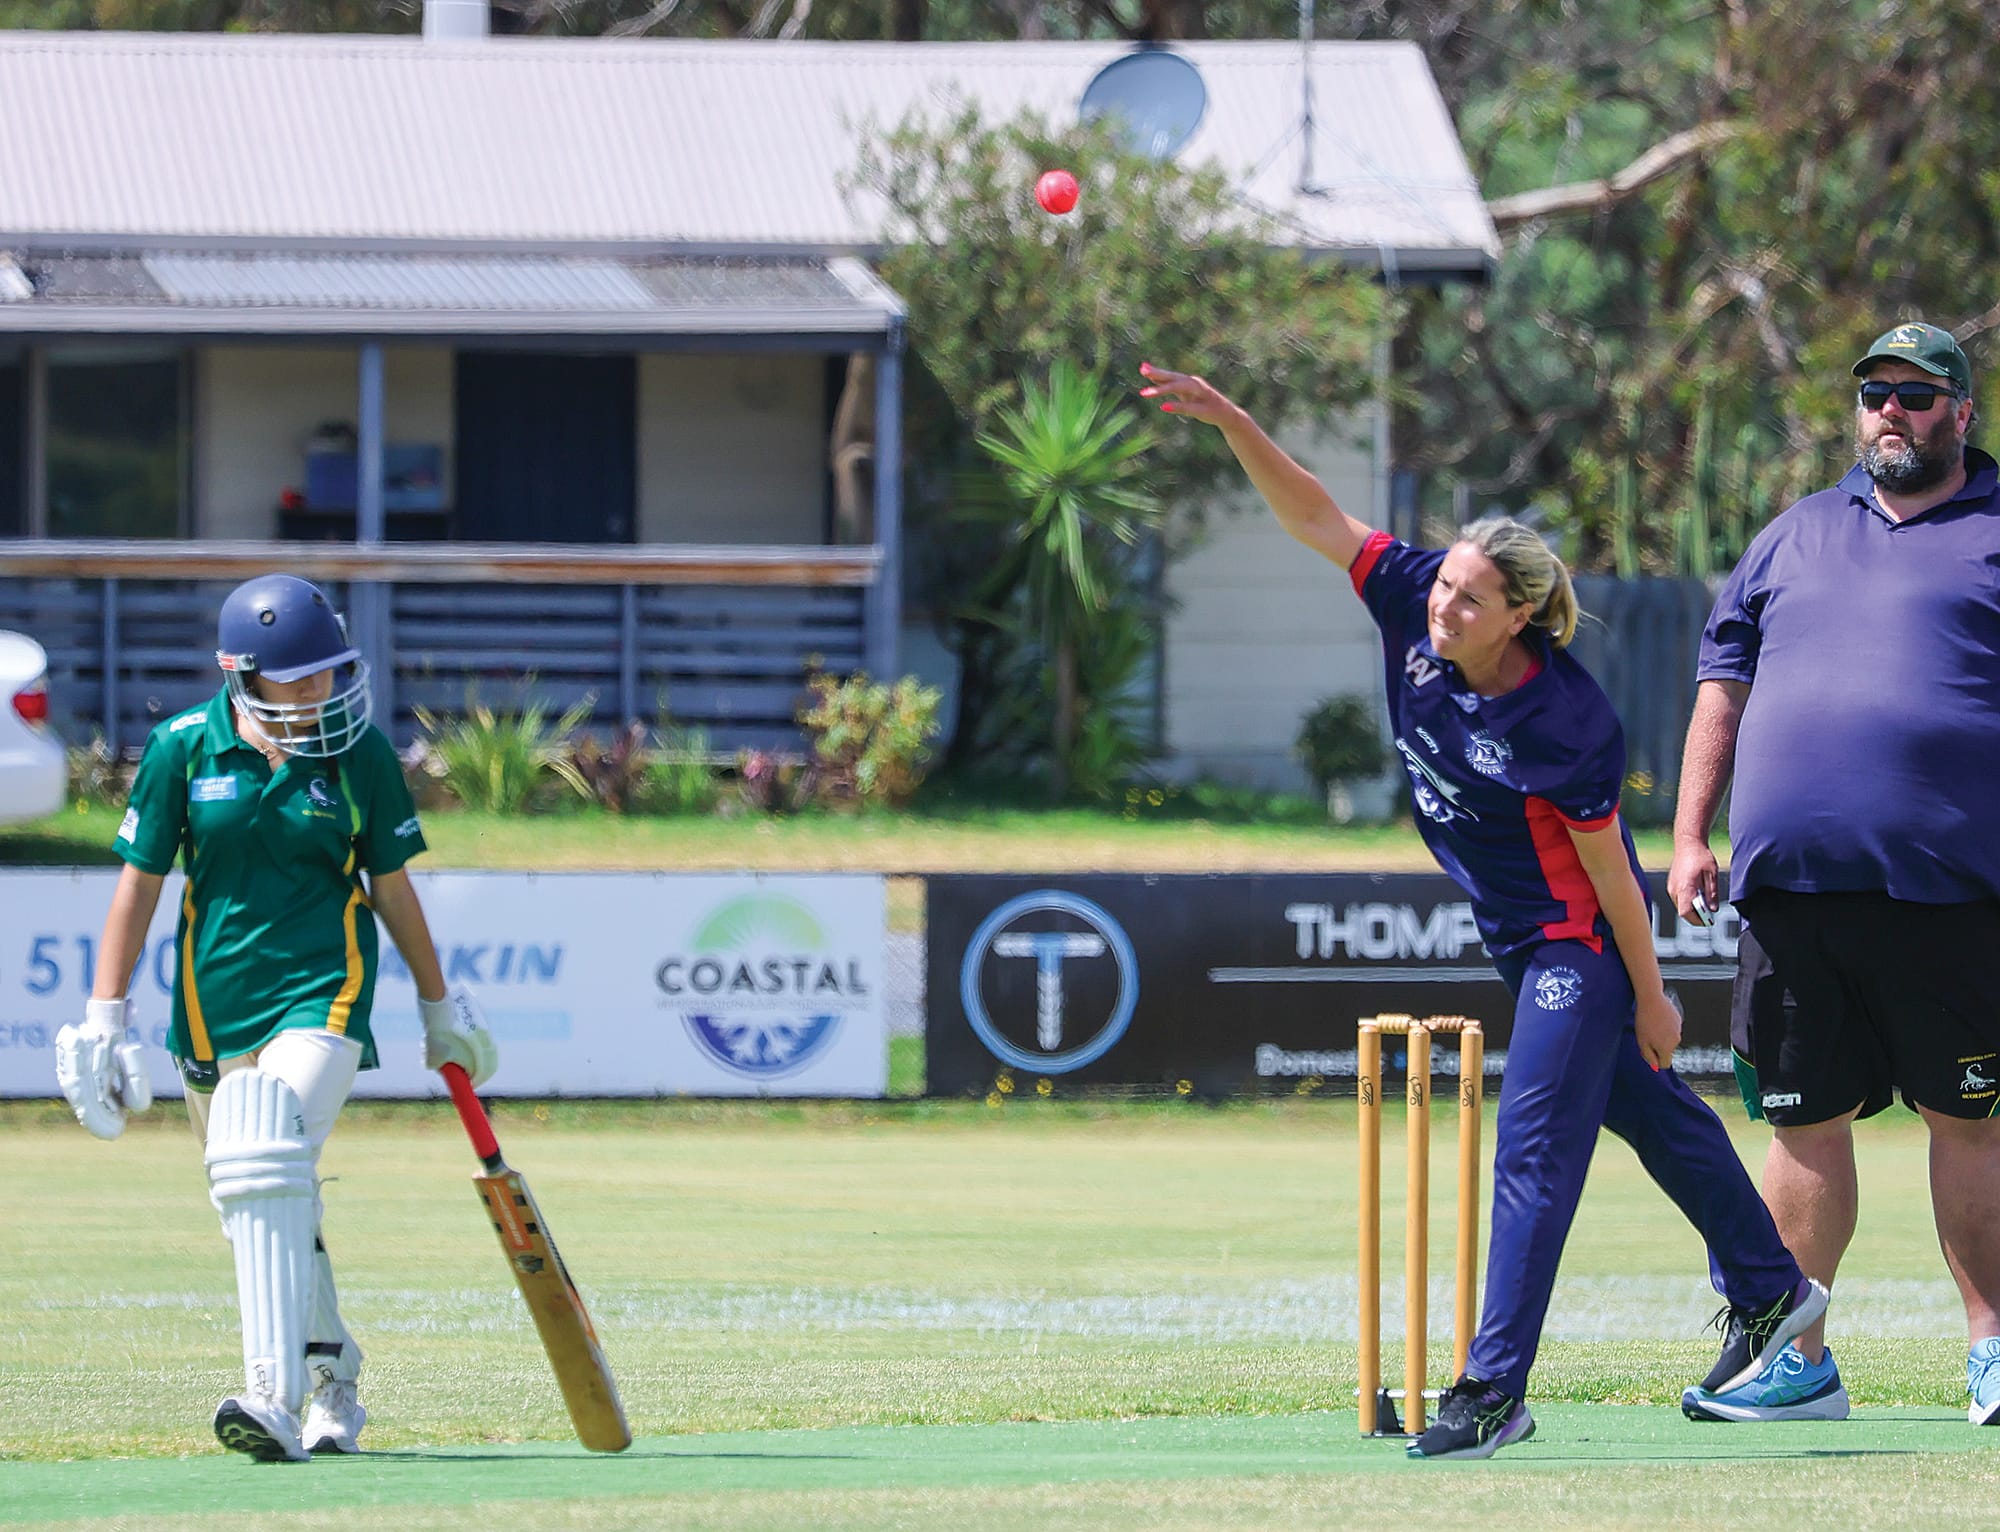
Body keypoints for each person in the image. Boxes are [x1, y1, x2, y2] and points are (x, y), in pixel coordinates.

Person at [1140, 361, 1825, 1460]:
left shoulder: (1565, 719)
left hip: (1576, 949)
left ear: (1519, 617)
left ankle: (1493, 1389)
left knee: (1531, 1147)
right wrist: (1233, 422)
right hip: (1520, 941)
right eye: (1443, 584)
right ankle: (1771, 1289)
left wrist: (1652, 995)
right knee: (1653, 1117)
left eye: (1467, 598)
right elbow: (1314, 515)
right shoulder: (1412, 600)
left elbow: (1612, 876)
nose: (1441, 605)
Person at [53, 573, 498, 1463]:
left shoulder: (359, 756)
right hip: (212, 1011)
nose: (319, 690)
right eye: (297, 677)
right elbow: (139, 887)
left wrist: (438, 1005)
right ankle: (334, 1377)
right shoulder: (183, 748)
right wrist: (105, 1017)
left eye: (329, 671)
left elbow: (392, 890)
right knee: (258, 1201)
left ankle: (274, 1401)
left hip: (324, 992)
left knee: (264, 1147)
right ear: (241, 673)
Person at [1669, 321, 2000, 1426]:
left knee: (1970, 1120)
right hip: (1794, 892)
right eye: (1874, 394)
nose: (1890, 411)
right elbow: (1721, 683)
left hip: (1952, 891)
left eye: (1916, 393)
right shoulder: (1793, 534)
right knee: (1802, 1122)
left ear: (1961, 411)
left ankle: (1993, 1354)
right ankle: (1796, 1361)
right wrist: (1688, 833)